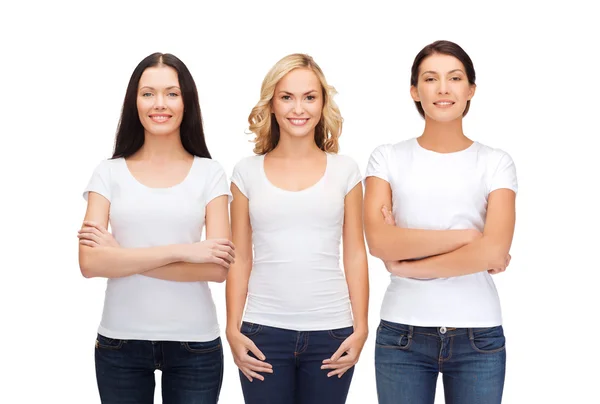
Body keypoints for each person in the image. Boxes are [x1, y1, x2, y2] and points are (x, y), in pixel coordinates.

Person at [364, 40, 517, 404]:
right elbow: (380, 243)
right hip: (402, 335)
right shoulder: (387, 158)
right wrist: (468, 238)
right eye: (431, 79)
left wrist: (409, 265)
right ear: (415, 91)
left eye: (455, 78)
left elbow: (495, 249)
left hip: (478, 335)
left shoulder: (496, 162)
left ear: (471, 89)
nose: (443, 88)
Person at [78, 52, 234, 404]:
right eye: (148, 93)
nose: (159, 104)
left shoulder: (211, 173)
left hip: (195, 344)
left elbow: (216, 268)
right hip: (120, 343)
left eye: (171, 93)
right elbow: (90, 264)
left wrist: (121, 256)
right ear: (134, 101)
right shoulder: (108, 172)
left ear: (186, 101)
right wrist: (184, 251)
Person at [225, 53, 369, 404]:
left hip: (332, 332)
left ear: (322, 103)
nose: (298, 108)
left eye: (309, 97)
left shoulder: (346, 171)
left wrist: (361, 328)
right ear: (271, 104)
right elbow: (240, 257)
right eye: (286, 97)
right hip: (262, 332)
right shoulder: (246, 172)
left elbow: (354, 254)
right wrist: (232, 328)